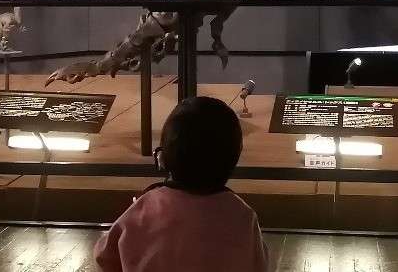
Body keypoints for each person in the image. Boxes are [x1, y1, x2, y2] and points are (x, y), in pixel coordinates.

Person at [94, 96, 269, 272]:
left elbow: (104, 255)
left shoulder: (144, 209)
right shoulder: (243, 215)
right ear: (232, 161)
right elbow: (259, 265)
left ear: (162, 158)